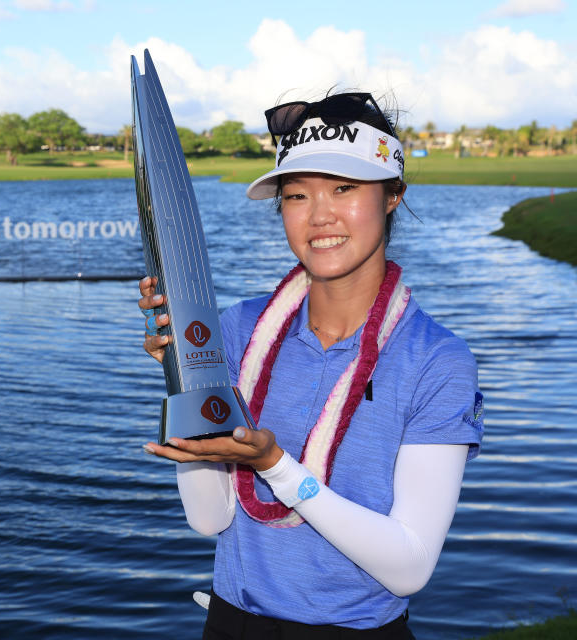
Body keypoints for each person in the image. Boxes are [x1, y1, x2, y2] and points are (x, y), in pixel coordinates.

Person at [137, 92, 484, 639]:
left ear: (393, 194)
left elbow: (410, 566)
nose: (320, 215)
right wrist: (185, 378)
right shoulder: (236, 330)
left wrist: (276, 465)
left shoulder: (437, 361)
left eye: (344, 188)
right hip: (231, 624)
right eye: (297, 195)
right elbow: (210, 519)